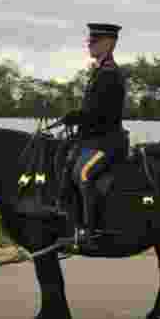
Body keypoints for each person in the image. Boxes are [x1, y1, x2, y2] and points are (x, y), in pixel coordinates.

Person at [61, 23, 127, 247]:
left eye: (95, 40)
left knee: (85, 173)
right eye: (90, 39)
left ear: (109, 43)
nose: (89, 43)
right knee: (66, 163)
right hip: (93, 140)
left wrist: (79, 117)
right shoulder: (99, 71)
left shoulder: (110, 74)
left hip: (108, 142)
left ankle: (90, 232)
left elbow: (103, 114)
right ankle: (72, 222)